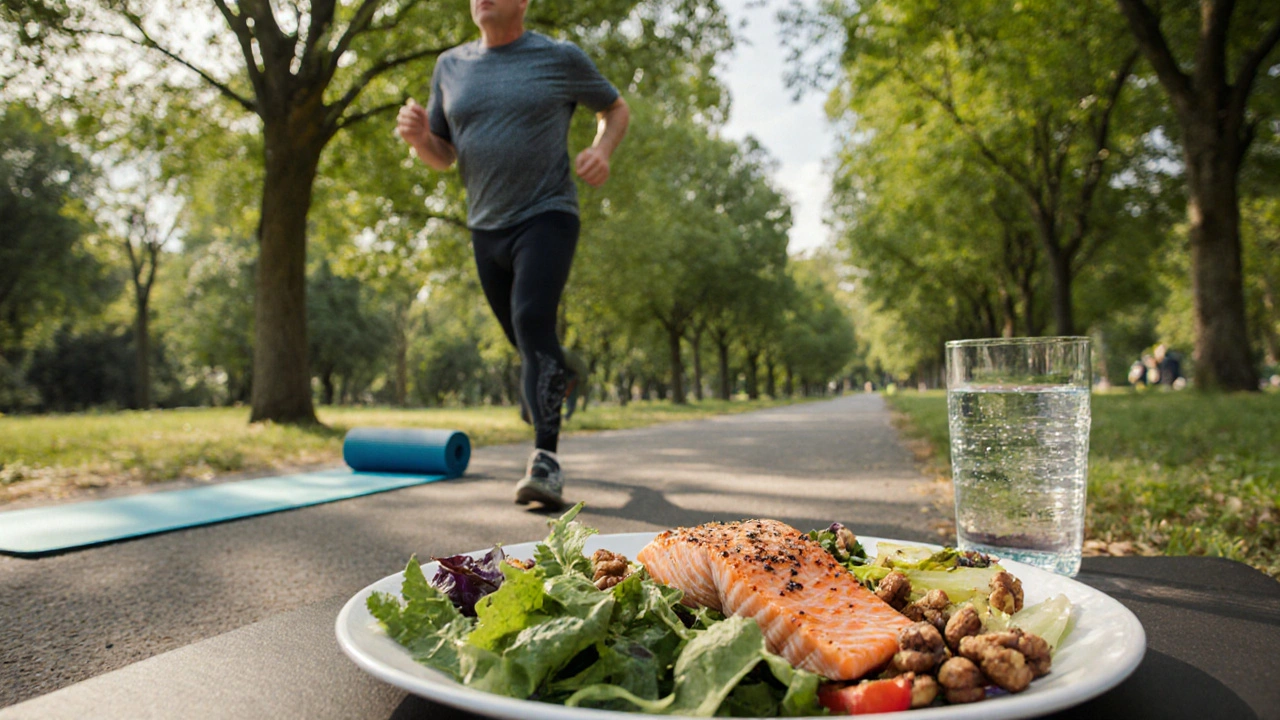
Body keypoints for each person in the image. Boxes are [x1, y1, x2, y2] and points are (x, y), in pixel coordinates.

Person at [396, 0, 629, 510]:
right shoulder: (450, 66)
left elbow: (614, 107)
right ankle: (557, 376)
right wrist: (418, 139)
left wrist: (602, 150)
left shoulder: (558, 57)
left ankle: (545, 461)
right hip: (485, 228)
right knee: (529, 344)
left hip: (548, 214)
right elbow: (443, 152)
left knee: (531, 319)